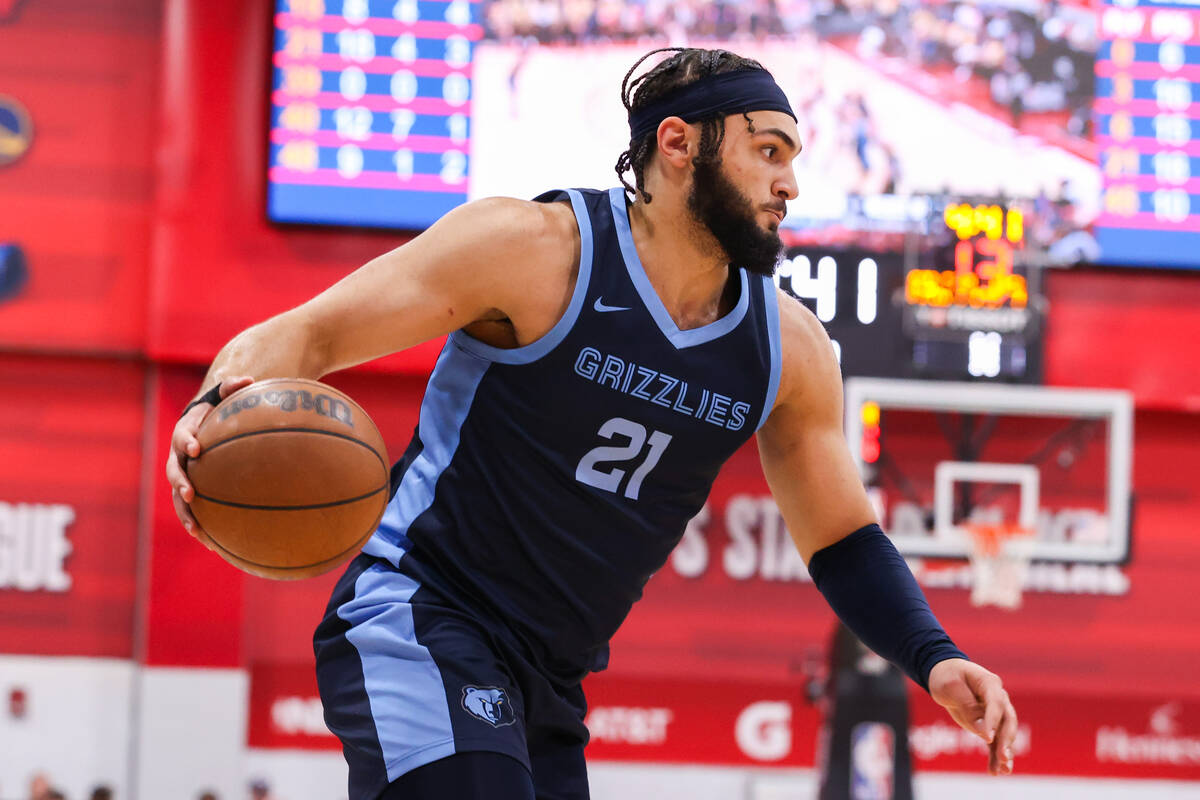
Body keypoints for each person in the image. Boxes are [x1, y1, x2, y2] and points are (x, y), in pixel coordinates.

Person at [166, 47, 1018, 800]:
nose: (789, 183)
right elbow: (311, 332)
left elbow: (843, 540)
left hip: (551, 678)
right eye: (767, 151)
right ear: (679, 144)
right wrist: (214, 406)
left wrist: (933, 655)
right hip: (422, 619)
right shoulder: (529, 249)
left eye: (792, 159)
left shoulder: (787, 350)